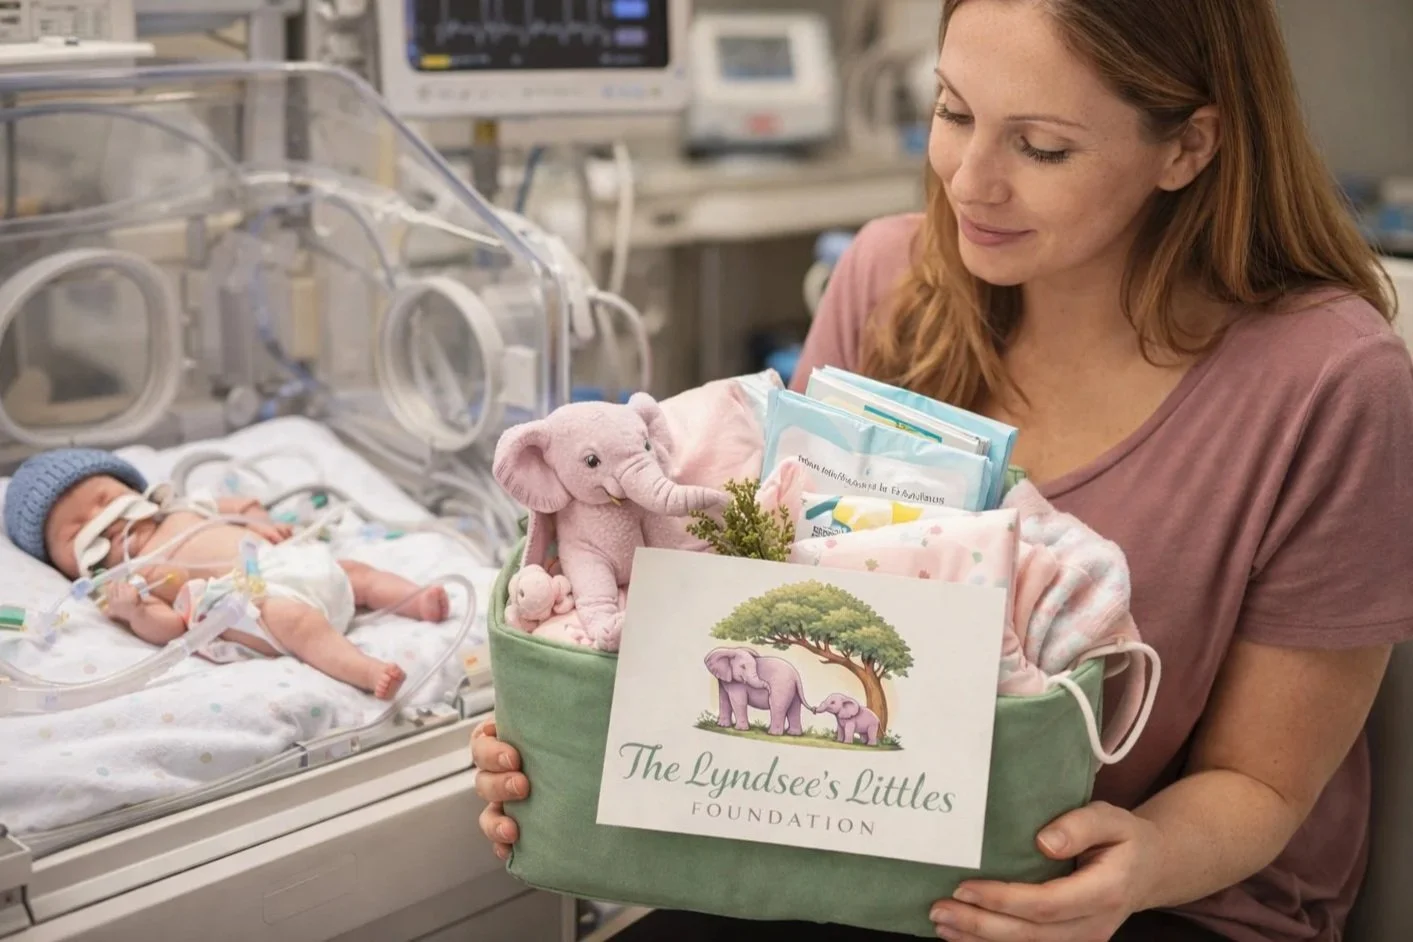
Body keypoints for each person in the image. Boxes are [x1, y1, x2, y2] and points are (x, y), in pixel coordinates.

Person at [471, 0, 1413, 939]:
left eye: (1041, 147)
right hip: (864, 857)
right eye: (954, 112)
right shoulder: (888, 283)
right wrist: (574, 738)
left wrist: (1136, 866)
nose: (969, 181)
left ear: (1186, 147)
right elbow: (763, 619)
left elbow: (1262, 784)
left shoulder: (1328, 384)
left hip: (1165, 897)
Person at [3, 447, 451, 699]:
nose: (105, 518)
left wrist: (261, 521)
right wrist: (136, 611)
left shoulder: (185, 507)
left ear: (133, 489)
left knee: (357, 573)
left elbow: (241, 507)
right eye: (76, 529)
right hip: (249, 605)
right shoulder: (126, 580)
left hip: (285, 563)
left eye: (104, 497)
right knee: (298, 622)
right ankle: (366, 670)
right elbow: (171, 628)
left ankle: (414, 599)